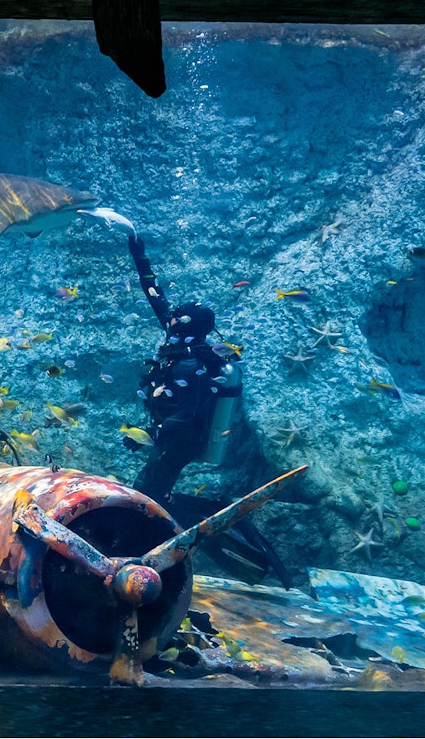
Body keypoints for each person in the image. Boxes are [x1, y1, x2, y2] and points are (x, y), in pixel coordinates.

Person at [124, 228, 293, 589]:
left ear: (190, 327)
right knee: (152, 494)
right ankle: (181, 528)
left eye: (178, 316)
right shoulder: (180, 340)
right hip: (169, 436)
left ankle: (159, 564)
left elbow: (189, 412)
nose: (171, 317)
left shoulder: (197, 365)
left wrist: (153, 435)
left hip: (183, 439)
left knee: (146, 496)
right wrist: (138, 252)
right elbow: (154, 295)